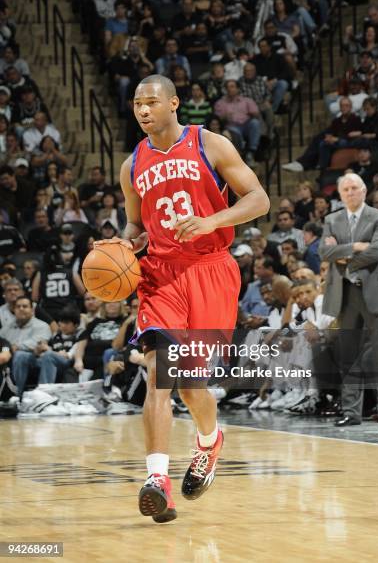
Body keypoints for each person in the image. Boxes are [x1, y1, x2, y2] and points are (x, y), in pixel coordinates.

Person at [94, 74, 269, 523]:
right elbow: (136, 226)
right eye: (137, 103)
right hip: (160, 275)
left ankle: (210, 442)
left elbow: (259, 199)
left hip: (211, 268)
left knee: (191, 385)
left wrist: (213, 221)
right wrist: (124, 247)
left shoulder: (210, 144)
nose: (143, 109)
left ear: (174, 103)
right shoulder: (131, 164)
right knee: (158, 373)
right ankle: (157, 479)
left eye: (151, 101)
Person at [319, 173, 378, 426]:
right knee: (348, 356)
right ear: (340, 194)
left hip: (375, 290)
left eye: (355, 188)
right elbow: (325, 251)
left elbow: (377, 250)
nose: (351, 193)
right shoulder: (332, 219)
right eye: (346, 189)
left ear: (364, 191)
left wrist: (344, 258)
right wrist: (355, 247)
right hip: (345, 294)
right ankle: (351, 412)